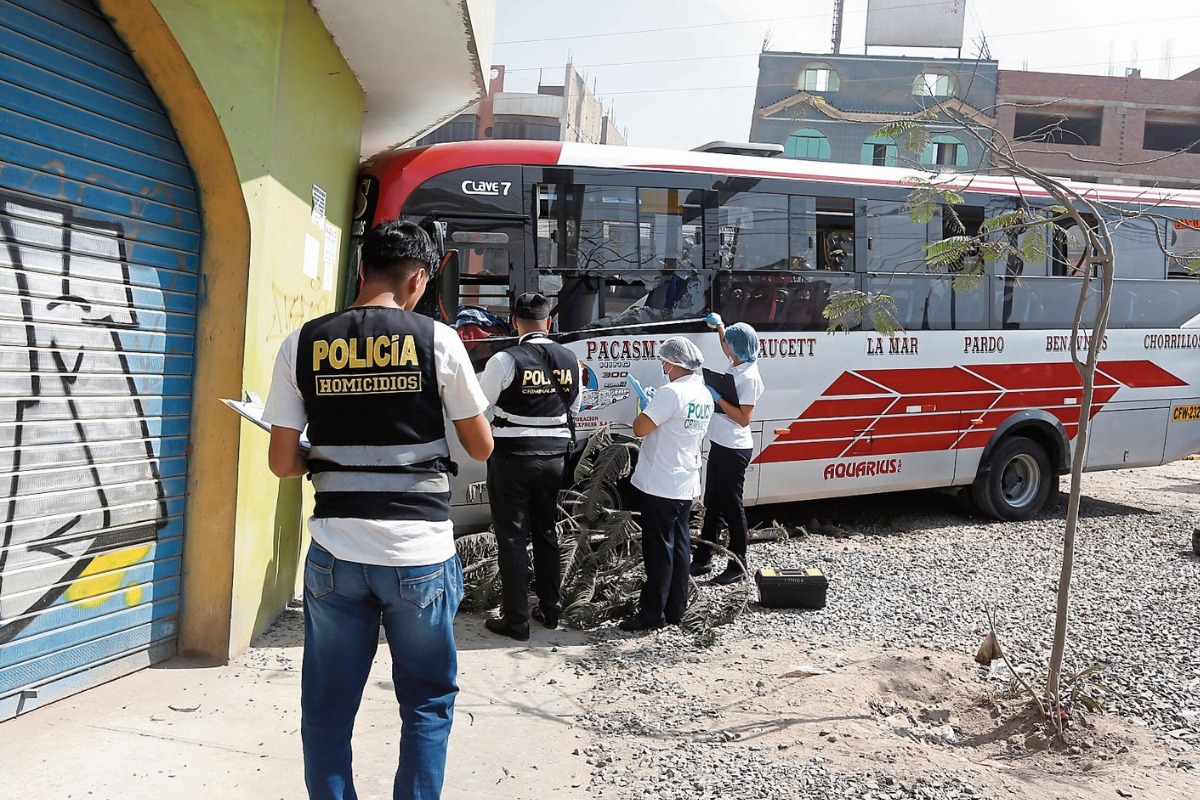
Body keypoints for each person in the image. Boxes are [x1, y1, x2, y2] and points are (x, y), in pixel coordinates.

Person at [263, 220, 493, 800]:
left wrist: (330, 453)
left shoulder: (303, 343)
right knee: (426, 701)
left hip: (335, 553)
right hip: (418, 552)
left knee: (327, 707)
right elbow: (480, 446)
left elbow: (283, 464)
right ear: (419, 278)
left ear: (362, 270)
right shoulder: (438, 341)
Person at [478, 292, 582, 641]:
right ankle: (551, 610)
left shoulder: (505, 360)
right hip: (554, 460)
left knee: (511, 537)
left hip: (511, 459)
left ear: (514, 322)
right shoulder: (570, 359)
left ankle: (517, 619)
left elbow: (479, 407)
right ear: (548, 323)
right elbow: (575, 407)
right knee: (546, 531)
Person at [619, 336, 713, 632]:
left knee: (658, 550)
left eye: (664, 361)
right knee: (680, 546)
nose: (662, 366)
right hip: (685, 480)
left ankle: (652, 614)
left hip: (661, 482)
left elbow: (640, 427)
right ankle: (676, 608)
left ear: (674, 364)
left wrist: (644, 406)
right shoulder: (704, 393)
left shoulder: (671, 392)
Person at [690, 315, 765, 585]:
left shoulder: (748, 377)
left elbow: (744, 418)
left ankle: (738, 563)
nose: (727, 347)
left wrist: (717, 396)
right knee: (713, 503)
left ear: (739, 348)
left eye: (730, 344)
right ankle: (703, 559)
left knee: (732, 506)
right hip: (721, 444)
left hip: (734, 449)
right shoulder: (737, 361)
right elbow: (726, 344)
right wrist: (720, 326)